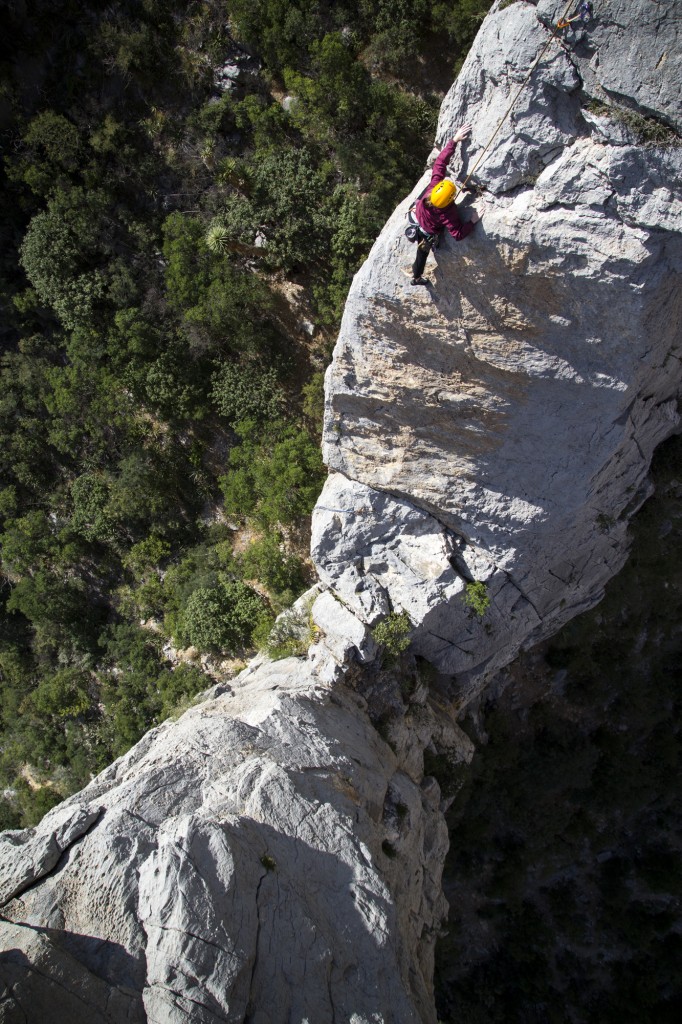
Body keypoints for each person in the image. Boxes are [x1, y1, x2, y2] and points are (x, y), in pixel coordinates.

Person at [408, 123, 482, 286]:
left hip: (416, 214)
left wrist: (454, 140)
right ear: (449, 201)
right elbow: (457, 234)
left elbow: (440, 163)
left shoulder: (433, 188)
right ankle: (416, 278)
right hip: (427, 231)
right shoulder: (447, 213)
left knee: (421, 198)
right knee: (422, 253)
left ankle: (417, 277)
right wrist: (472, 221)